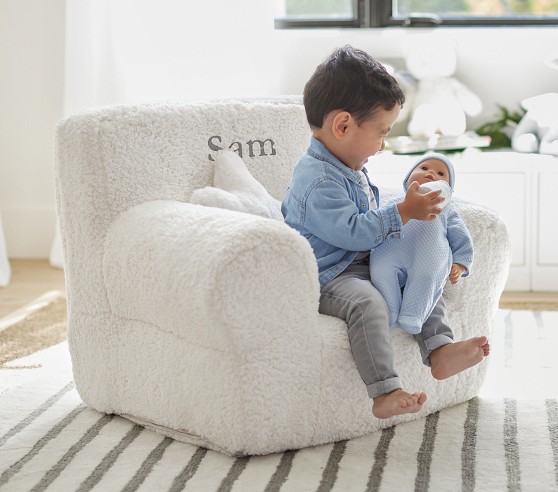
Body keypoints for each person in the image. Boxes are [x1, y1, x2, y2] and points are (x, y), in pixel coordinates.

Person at [281, 46, 490, 420]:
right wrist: (403, 213)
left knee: (421, 278)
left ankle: (439, 349)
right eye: (381, 133)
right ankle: (384, 389)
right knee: (368, 304)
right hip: (330, 273)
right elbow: (351, 231)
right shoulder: (316, 180)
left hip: (360, 259)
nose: (382, 145)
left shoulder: (346, 163)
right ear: (343, 126)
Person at [370, 153, 473, 335]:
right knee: (380, 271)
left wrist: (460, 264)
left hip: (427, 256)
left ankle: (413, 315)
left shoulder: (446, 212)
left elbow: (462, 238)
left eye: (441, 174)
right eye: (424, 168)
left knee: (426, 276)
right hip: (390, 253)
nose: (431, 173)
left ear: (448, 191)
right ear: (407, 180)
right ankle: (390, 312)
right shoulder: (396, 204)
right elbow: (377, 222)